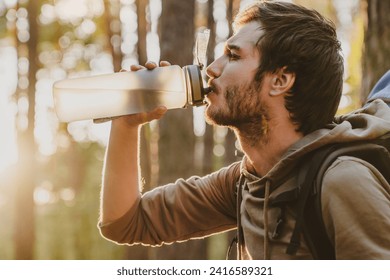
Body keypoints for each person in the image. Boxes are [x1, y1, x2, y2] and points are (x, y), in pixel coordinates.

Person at [98, 1, 390, 259]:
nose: (212, 68)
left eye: (233, 56)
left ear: (280, 80)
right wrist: (126, 124)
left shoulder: (343, 182)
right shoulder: (246, 182)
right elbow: (125, 222)